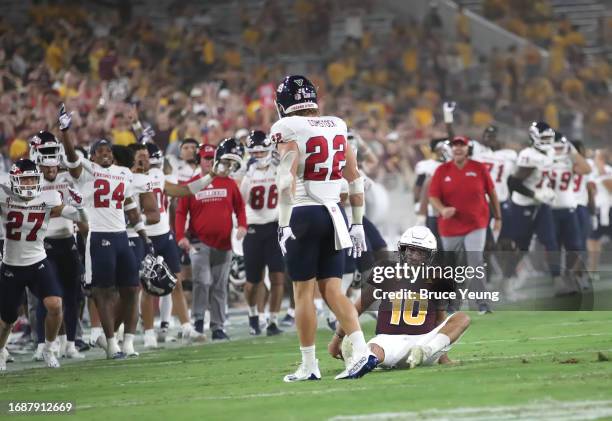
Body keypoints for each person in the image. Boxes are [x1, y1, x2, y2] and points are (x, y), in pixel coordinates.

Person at [271, 75, 376, 381]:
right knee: (333, 289)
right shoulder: (337, 125)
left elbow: (285, 178)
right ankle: (361, 348)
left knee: (303, 292)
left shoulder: (286, 127)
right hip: (336, 215)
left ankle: (308, 365)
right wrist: (357, 222)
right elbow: (355, 177)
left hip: (303, 213)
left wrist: (282, 222)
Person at [58, 104, 155, 359]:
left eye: (107, 150)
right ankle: (111, 343)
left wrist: (145, 236)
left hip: (122, 236)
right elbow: (70, 158)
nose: (105, 153)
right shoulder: (87, 173)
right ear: (92, 156)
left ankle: (129, 342)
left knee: (132, 289)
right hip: (99, 236)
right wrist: (65, 131)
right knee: (103, 291)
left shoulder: (123, 173)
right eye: (99, 151)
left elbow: (132, 206)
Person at [328, 226, 471, 369]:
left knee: (462, 318)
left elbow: (440, 321)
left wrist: (337, 339)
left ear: (429, 256)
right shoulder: (387, 271)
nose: (413, 255)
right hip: (388, 341)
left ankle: (424, 352)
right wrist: (337, 338)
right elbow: (356, 309)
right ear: (403, 250)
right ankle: (364, 358)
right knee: (374, 349)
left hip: (422, 342)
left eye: (420, 252)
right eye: (411, 250)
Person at [0, 159, 88, 370]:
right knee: (7, 319)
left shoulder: (48, 197)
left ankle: (49, 348)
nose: (29, 183)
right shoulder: (4, 196)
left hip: (38, 261)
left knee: (55, 305)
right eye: (24, 179)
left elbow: (80, 218)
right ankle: (1, 352)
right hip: (11, 264)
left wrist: (80, 205)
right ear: (14, 181)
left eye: (32, 179)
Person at [175, 139, 247, 341]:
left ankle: (218, 326)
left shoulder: (229, 182)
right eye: (206, 158)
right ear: (199, 161)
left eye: (212, 158)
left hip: (225, 242)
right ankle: (198, 321)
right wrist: (180, 236)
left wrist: (242, 225)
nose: (209, 162)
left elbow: (240, 207)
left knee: (219, 285)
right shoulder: (193, 184)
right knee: (202, 281)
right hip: (199, 241)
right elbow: (181, 212)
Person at [30, 131, 88, 360]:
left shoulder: (68, 177)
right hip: (42, 244)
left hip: (67, 241)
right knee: (46, 298)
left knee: (72, 296)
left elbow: (81, 213)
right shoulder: (30, 180)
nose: (51, 169)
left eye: (54, 165)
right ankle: (43, 343)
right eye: (47, 165)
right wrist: (62, 209)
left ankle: (70, 343)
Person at [428, 135, 501, 314]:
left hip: (476, 223)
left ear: (468, 148)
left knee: (475, 261)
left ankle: (482, 303)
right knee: (453, 266)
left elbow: (491, 193)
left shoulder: (478, 168)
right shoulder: (442, 170)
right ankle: (454, 302)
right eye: (455, 145)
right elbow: (433, 196)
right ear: (451, 149)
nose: (458, 148)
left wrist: (498, 217)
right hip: (449, 226)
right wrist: (442, 209)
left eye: (462, 145)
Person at [505, 122, 565, 295]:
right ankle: (507, 280)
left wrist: (548, 190)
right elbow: (513, 182)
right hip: (523, 205)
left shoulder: (550, 152)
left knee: (551, 241)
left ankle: (557, 281)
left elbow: (544, 176)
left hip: (541, 204)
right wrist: (535, 194)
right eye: (544, 138)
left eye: (549, 138)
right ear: (534, 137)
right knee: (521, 246)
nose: (547, 141)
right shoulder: (528, 155)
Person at [240, 130, 284, 336]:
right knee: (253, 281)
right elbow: (239, 201)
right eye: (254, 152)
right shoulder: (244, 171)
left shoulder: (278, 167)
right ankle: (253, 315)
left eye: (261, 152)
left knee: (277, 277)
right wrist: (247, 175)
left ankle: (273, 320)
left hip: (274, 226)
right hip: (254, 228)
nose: (258, 156)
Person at [549, 132, 591, 291]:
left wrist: (572, 152)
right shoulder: (546, 159)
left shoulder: (571, 160)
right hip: (554, 207)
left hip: (573, 206)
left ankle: (574, 275)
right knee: (555, 245)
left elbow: (586, 170)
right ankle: (559, 279)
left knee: (576, 245)